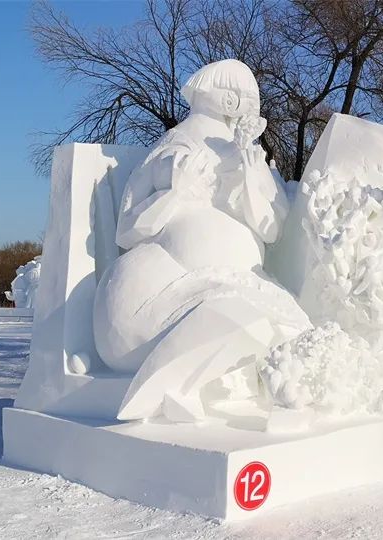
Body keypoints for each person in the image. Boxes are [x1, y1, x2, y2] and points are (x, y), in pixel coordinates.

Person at [93, 59, 310, 423]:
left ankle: (199, 374)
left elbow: (272, 228)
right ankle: (171, 382)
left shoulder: (250, 155)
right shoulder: (172, 147)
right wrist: (176, 195)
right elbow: (126, 230)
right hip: (154, 293)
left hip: (234, 280)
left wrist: (250, 174)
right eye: (244, 100)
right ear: (230, 102)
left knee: (293, 329)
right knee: (249, 319)